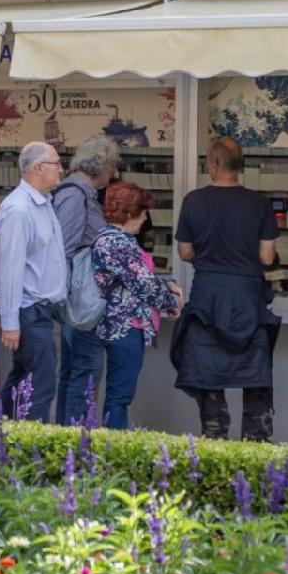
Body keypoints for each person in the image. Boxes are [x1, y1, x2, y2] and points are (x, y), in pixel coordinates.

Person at [171, 136, 280, 441]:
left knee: (208, 370)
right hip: (248, 298)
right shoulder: (259, 204)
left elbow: (185, 253)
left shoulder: (194, 201)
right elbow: (266, 257)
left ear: (214, 164)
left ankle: (214, 435)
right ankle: (256, 441)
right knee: (255, 373)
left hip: (208, 295)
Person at [84, 182, 184, 429]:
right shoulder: (119, 243)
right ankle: (114, 449)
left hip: (114, 325)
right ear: (130, 213)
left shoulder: (108, 239)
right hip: (124, 327)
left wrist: (166, 286)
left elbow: (138, 280)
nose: (146, 217)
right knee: (120, 397)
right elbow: (144, 286)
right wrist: (173, 301)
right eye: (143, 211)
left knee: (115, 394)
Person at [0, 142, 67, 421]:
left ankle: (0, 434)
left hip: (41, 310)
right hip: (28, 311)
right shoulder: (19, 209)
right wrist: (10, 322)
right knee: (40, 386)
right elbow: (10, 270)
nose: (61, 169)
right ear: (38, 168)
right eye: (57, 163)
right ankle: (30, 452)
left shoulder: (42, 203)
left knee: (23, 381)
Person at [53, 135, 120, 425]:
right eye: (112, 167)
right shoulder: (75, 195)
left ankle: (68, 436)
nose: (113, 174)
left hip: (80, 303)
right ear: (100, 166)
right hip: (81, 305)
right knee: (85, 371)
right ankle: (76, 441)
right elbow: (64, 250)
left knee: (76, 372)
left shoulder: (80, 194)